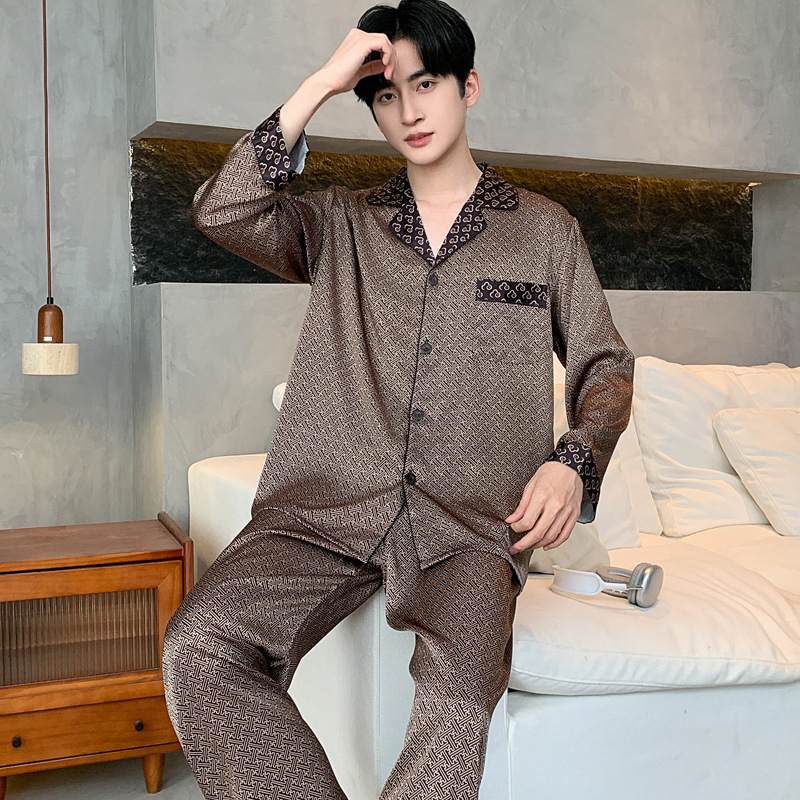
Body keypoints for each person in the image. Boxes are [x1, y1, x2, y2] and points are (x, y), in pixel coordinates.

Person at [161, 1, 635, 798]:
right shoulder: (340, 221)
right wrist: (322, 82)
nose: (409, 110)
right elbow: (223, 209)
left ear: (468, 87)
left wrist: (572, 462)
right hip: (323, 509)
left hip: (471, 527)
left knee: (459, 696)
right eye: (386, 94)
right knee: (199, 643)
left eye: (426, 84)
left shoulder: (546, 231)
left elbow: (606, 363)